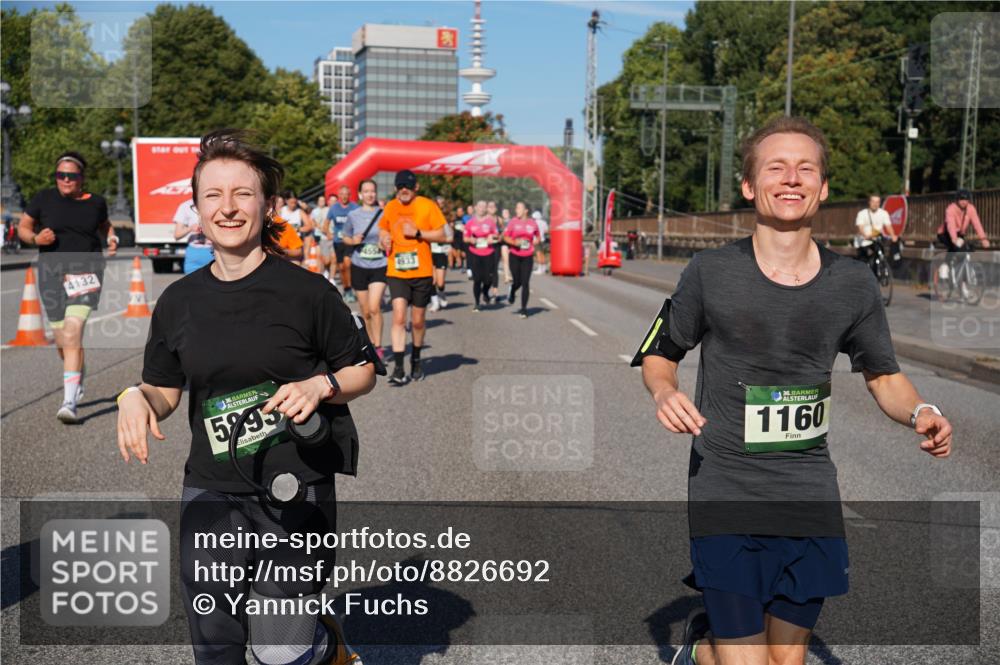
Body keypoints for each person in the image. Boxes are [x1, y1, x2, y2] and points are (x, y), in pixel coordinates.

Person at [636, 117, 953, 665]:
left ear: (823, 188)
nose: (791, 178)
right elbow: (660, 351)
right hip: (726, 486)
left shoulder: (853, 284)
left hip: (808, 491)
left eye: (805, 168)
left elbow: (882, 375)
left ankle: (698, 652)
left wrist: (921, 410)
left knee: (786, 660)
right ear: (749, 186)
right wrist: (663, 391)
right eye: (775, 167)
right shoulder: (709, 272)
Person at [116, 129, 375, 665]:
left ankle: (323, 646)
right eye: (213, 195)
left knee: (281, 651)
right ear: (197, 207)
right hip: (211, 488)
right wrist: (133, 398)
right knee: (215, 642)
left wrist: (319, 385)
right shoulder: (178, 302)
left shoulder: (308, 294)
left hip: (295, 487)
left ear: (268, 204)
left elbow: (362, 370)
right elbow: (163, 388)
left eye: (242, 194)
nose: (227, 208)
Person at [18, 151, 118, 423]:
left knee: (73, 334)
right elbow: (24, 227)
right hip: (51, 274)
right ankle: (77, 372)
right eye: (60, 175)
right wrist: (36, 237)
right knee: (62, 341)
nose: (65, 180)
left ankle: (69, 401)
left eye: (71, 176)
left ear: (81, 178)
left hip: (86, 273)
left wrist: (111, 237)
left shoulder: (96, 202)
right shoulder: (43, 199)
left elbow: (105, 226)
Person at [378, 169, 448, 384]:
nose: (404, 190)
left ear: (415, 187)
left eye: (407, 186)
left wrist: (418, 233)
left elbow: (442, 235)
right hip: (397, 271)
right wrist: (384, 239)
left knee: (417, 322)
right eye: (400, 186)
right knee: (399, 317)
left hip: (422, 272)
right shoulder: (391, 207)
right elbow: (383, 230)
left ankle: (416, 360)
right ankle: (399, 368)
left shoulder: (427, 205)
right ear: (396, 189)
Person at [343, 179, 387, 358]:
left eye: (372, 191)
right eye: (366, 191)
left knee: (375, 307)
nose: (370, 195)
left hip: (380, 264)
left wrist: (385, 242)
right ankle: (369, 343)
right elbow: (344, 237)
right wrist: (353, 241)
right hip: (359, 265)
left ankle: (379, 345)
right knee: (365, 309)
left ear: (376, 194)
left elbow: (390, 235)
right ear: (360, 195)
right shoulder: (353, 215)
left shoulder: (384, 214)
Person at [503, 201, 541, 318]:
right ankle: (513, 290)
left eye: (519, 208)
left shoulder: (532, 223)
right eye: (516, 208)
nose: (516, 210)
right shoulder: (513, 222)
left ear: (526, 211)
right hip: (514, 255)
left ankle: (524, 309)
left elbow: (538, 236)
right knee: (517, 281)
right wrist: (514, 242)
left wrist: (535, 242)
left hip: (527, 256)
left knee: (525, 282)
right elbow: (505, 237)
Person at [464, 200, 499, 312]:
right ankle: (477, 303)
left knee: (488, 279)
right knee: (477, 279)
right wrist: (471, 239)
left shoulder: (491, 222)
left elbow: (497, 236)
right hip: (474, 253)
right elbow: (465, 238)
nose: (482, 208)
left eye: (484, 206)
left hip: (488, 253)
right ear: (475, 208)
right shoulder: (470, 222)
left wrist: (492, 238)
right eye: (480, 206)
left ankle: (485, 291)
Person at [327, 185, 359, 302]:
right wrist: (328, 233)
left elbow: (360, 222)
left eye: (346, 194)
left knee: (347, 263)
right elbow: (326, 223)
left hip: (350, 241)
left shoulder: (355, 207)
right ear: (339, 195)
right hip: (338, 241)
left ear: (349, 195)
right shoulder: (334, 208)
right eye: (342, 194)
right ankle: (347, 289)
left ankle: (350, 289)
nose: (344, 196)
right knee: (341, 267)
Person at [936, 189, 990, 253]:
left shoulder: (971, 209)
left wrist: (983, 239)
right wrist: (954, 238)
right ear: (957, 200)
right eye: (961, 199)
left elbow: (977, 224)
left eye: (966, 199)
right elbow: (951, 225)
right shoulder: (951, 209)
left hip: (959, 234)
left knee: (967, 249)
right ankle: (949, 262)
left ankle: (948, 263)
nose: (964, 202)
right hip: (945, 233)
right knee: (957, 247)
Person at [173, 197, 214, 274]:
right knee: (191, 285)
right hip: (194, 254)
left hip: (213, 253)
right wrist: (191, 228)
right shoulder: (185, 206)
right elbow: (176, 235)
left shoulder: (215, 203)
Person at [853, 193, 897, 262]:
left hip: (876, 240)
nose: (875, 204)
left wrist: (893, 235)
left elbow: (888, 226)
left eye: (877, 202)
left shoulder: (883, 213)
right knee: (863, 260)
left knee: (881, 254)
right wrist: (865, 235)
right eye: (873, 201)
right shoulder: (862, 213)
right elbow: (860, 228)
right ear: (869, 202)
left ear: (880, 203)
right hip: (863, 241)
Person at [429, 211, 453, 312]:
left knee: (440, 283)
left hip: (441, 254)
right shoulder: (426, 223)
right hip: (429, 253)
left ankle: (441, 294)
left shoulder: (444, 224)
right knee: (431, 280)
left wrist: (440, 238)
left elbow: (451, 238)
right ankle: (435, 302)